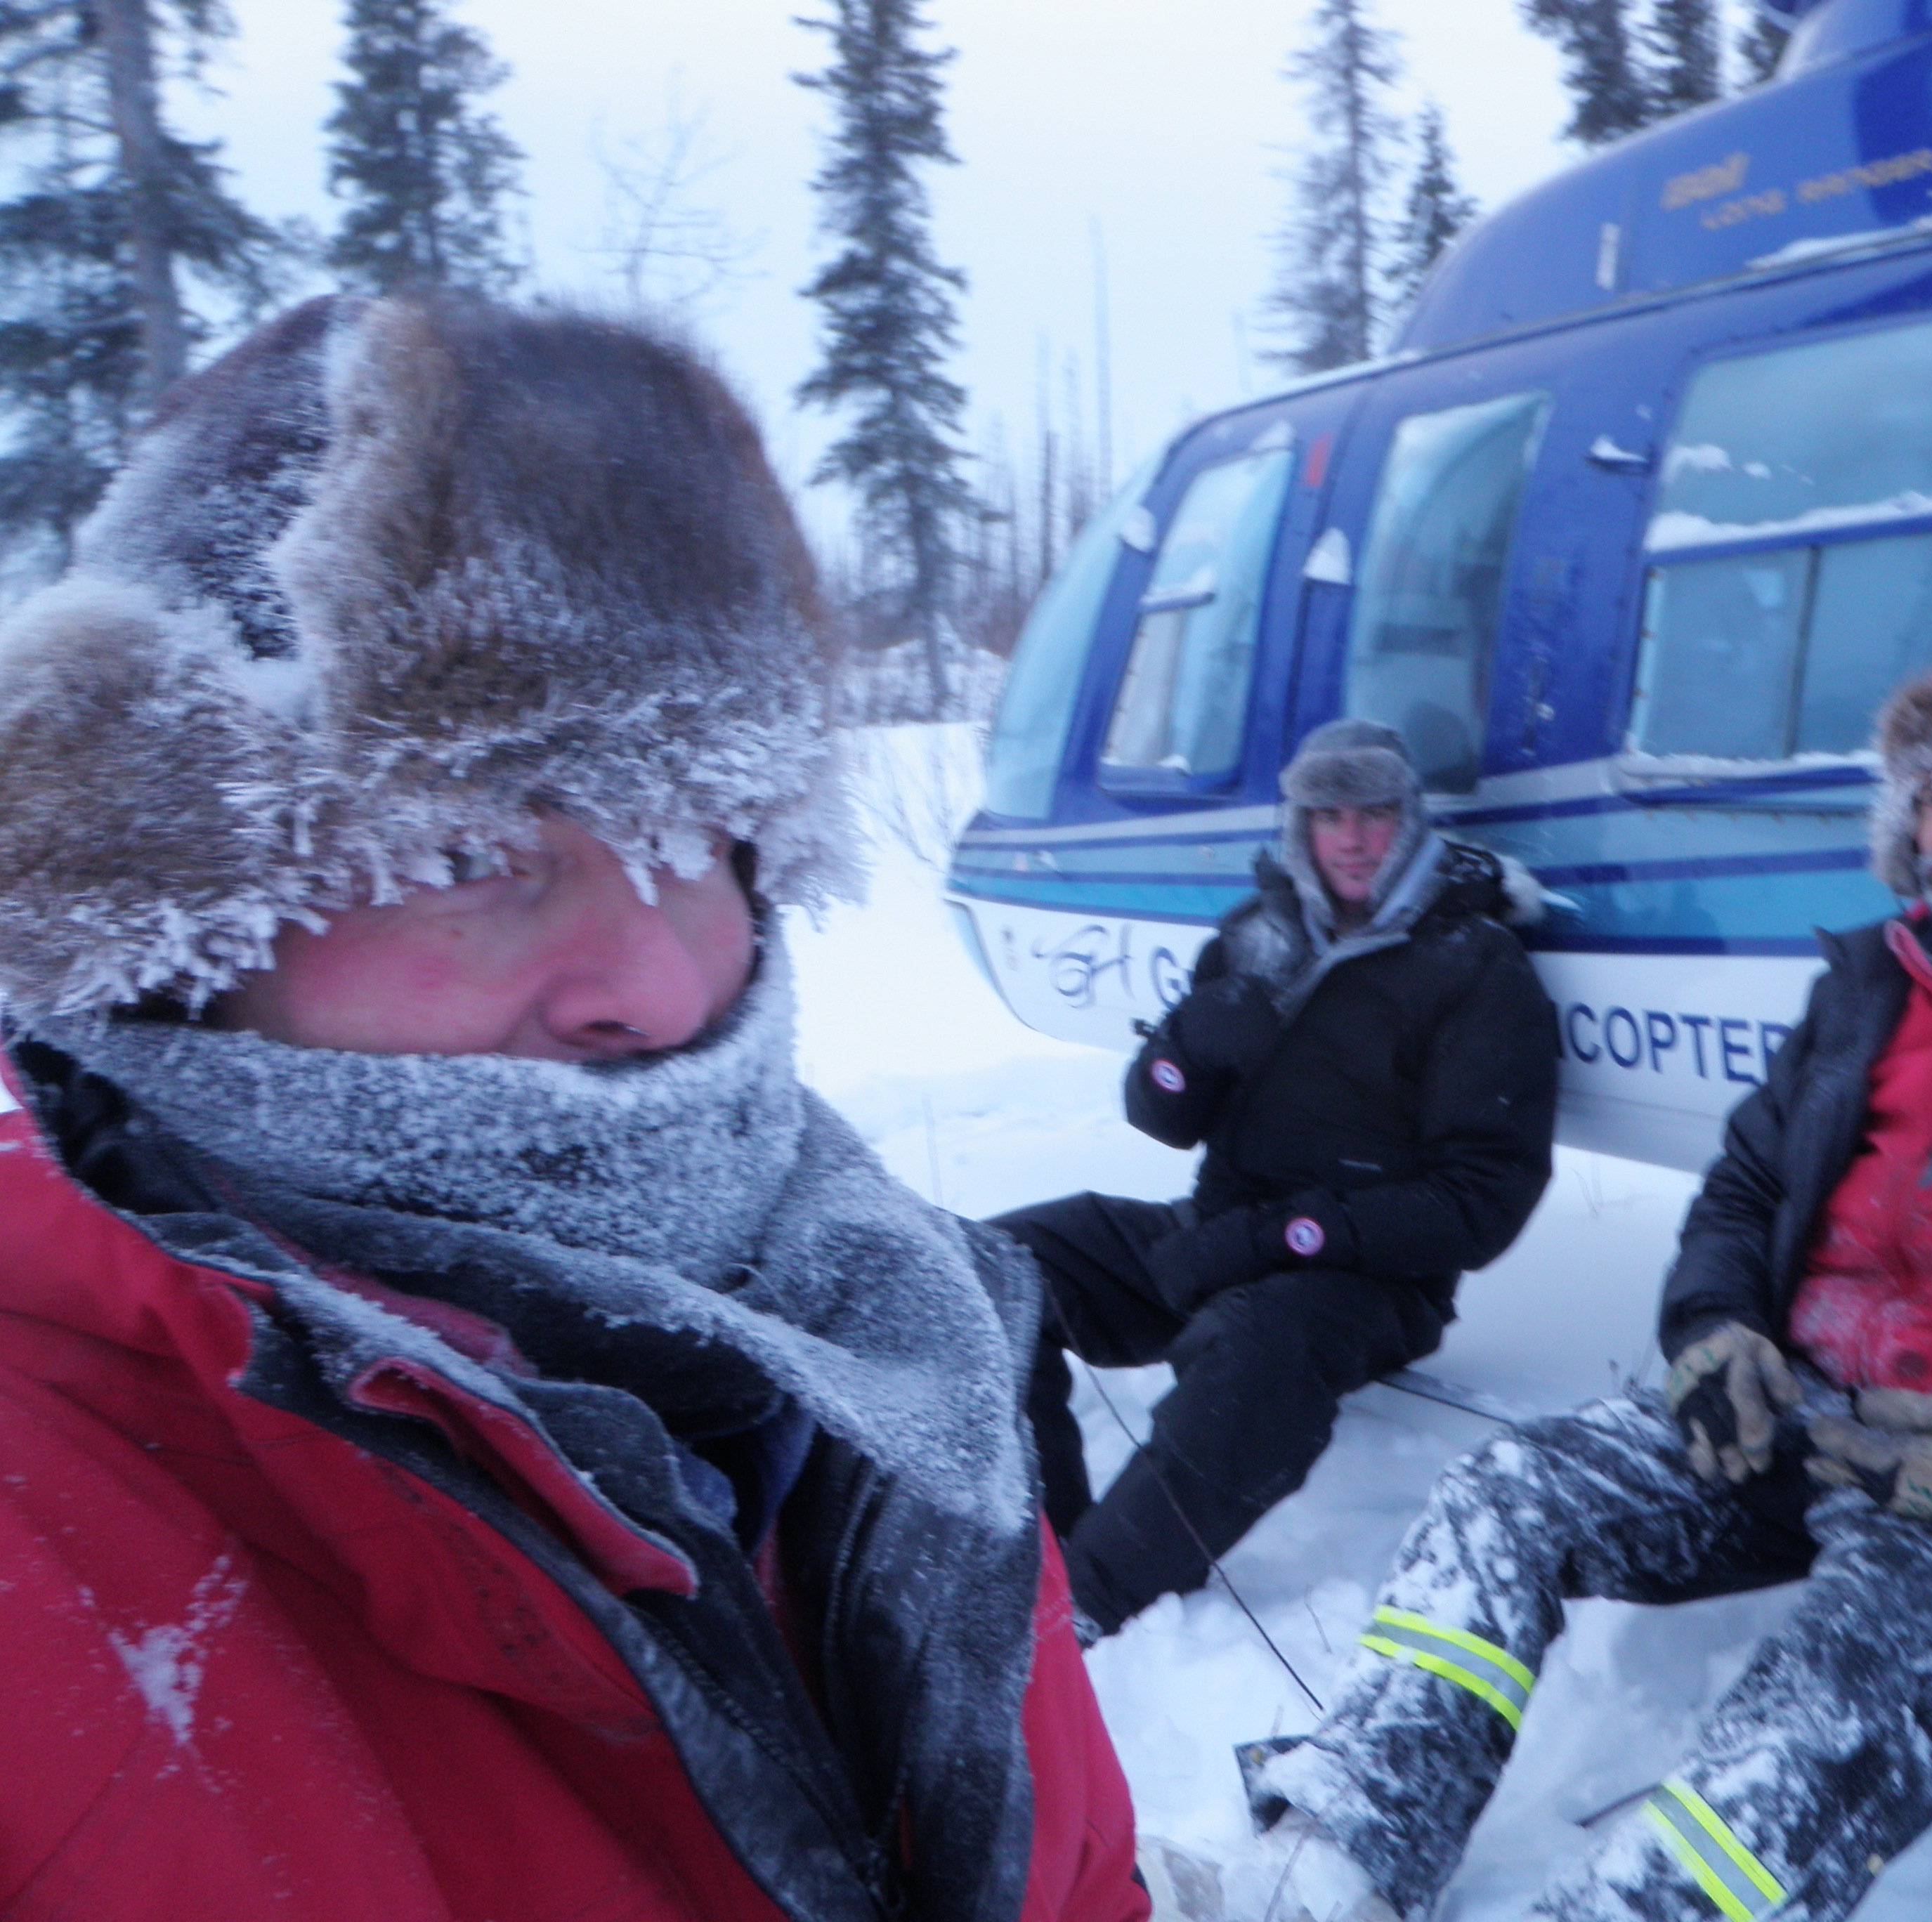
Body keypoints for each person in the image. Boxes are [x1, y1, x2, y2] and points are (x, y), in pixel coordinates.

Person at [0, 294, 1144, 1922]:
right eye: (470, 853)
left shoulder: (888, 1341)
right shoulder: (45, 1543)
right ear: (172, 938)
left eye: (698, 837)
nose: (657, 989)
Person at [1221, 660, 1932, 1922]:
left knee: (1842, 1690)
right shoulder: (1865, 996)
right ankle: (1345, 1849)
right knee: (1506, 1494)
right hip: (1792, 1415)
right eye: (1926, 798)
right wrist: (1715, 1335)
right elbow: (1744, 1192)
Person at [995, 720, 1558, 1640]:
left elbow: (1482, 1201)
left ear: (1408, 818)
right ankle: (1038, 1544)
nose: (1353, 838)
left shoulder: (1474, 965)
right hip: (1217, 1235)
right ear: (1301, 825)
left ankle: (1081, 1607)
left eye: (1374, 812)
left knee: (1260, 1345)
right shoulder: (1254, 937)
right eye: (1329, 815)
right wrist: (1186, 1045)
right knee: (998, 1264)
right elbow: (1163, 1117)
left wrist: (1286, 1235)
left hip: (1367, 1279)